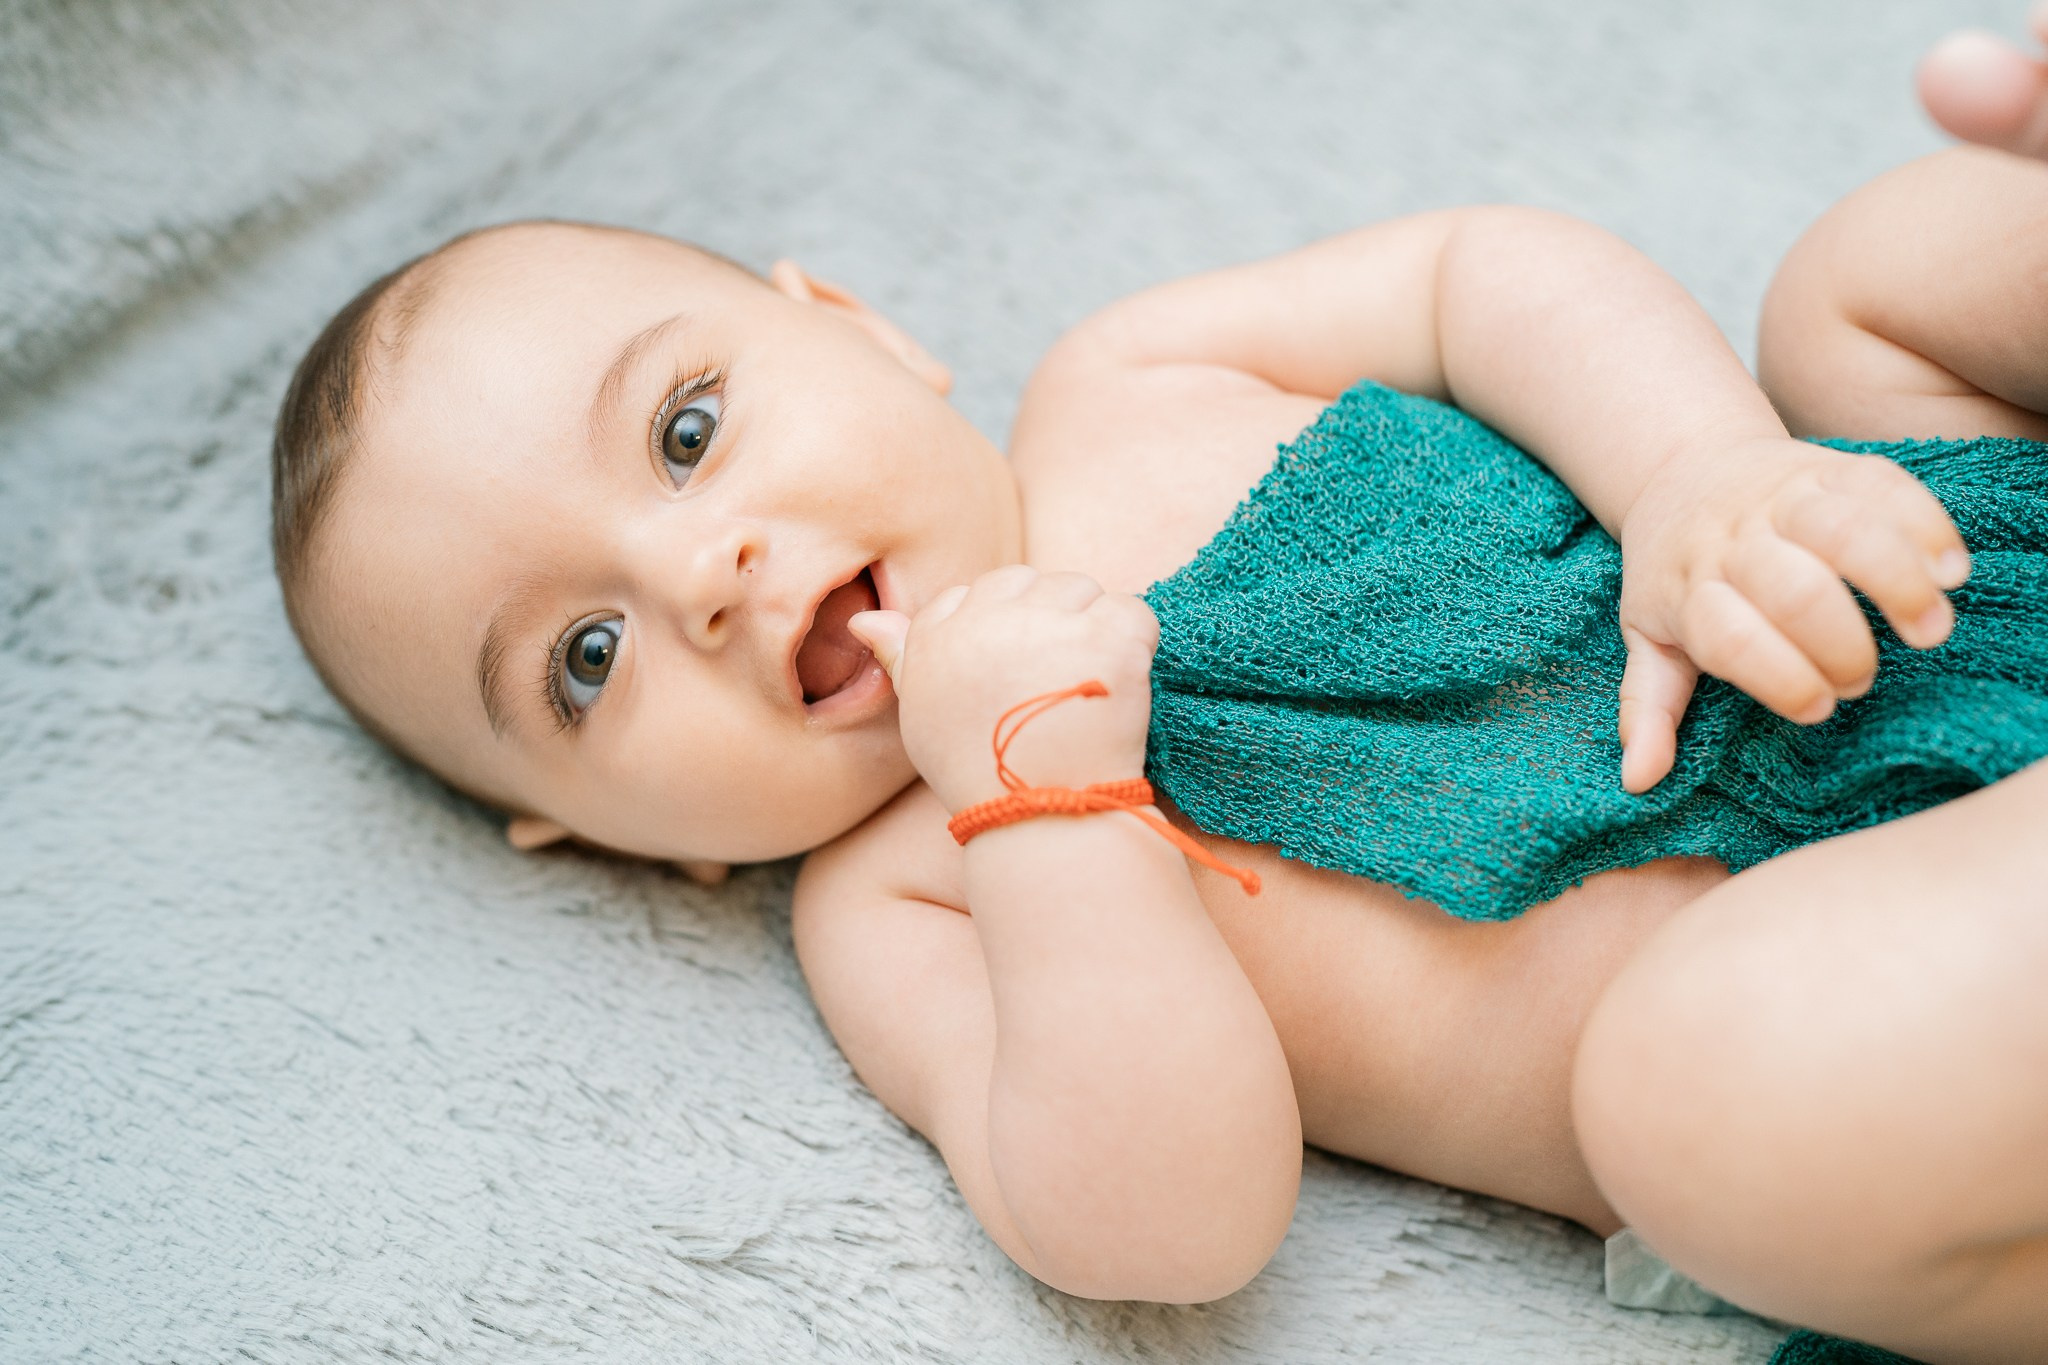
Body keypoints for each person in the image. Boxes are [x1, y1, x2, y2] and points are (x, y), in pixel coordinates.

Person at [265, 38, 2048, 1361]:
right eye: (586, 660)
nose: (700, 570)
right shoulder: (900, 894)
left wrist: (1698, 480)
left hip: (1923, 598)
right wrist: (1050, 804)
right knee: (1691, 1103)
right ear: (597, 837)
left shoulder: (1129, 372)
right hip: (1879, 1029)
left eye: (684, 432)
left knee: (1871, 276)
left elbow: (1480, 272)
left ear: (863, 327)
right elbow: (1166, 1226)